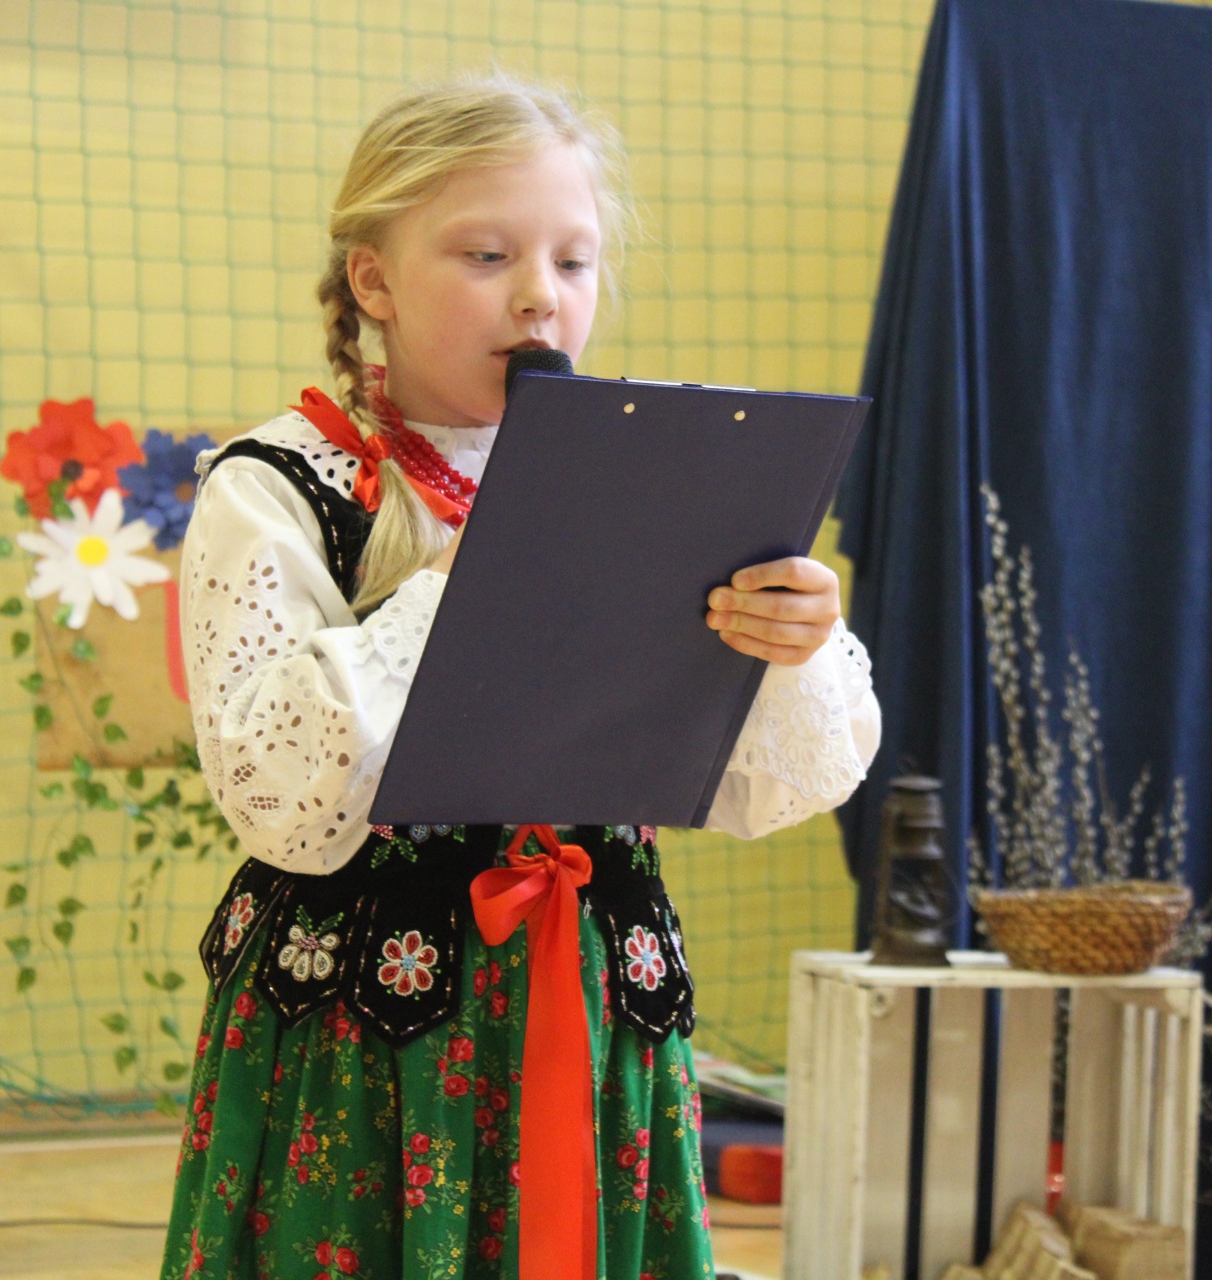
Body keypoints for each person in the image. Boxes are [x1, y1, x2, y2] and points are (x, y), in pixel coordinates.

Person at [161, 74, 881, 1280]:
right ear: (374, 280)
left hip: (595, 1002)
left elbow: (773, 788)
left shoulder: (650, 478)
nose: (542, 294)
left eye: (575, 260)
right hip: (367, 1030)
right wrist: (459, 585)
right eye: (487, 254)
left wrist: (792, 646)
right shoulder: (276, 485)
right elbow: (276, 795)